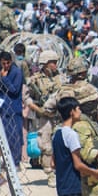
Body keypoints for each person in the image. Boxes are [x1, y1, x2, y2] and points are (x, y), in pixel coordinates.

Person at [27, 50, 63, 187]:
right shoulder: (35, 80)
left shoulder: (61, 77)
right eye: (52, 63)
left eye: (55, 62)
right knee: (46, 146)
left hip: (59, 116)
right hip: (44, 117)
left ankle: (60, 171)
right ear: (45, 64)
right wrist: (38, 109)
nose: (55, 65)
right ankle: (50, 174)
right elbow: (27, 98)